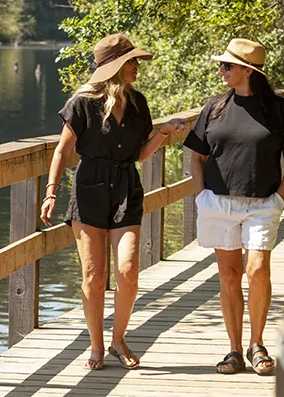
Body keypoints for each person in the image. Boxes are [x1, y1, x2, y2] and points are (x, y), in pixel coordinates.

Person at [41, 33, 185, 370]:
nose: (137, 67)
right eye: (132, 61)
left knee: (128, 270)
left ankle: (119, 338)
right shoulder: (82, 103)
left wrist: (162, 134)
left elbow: (140, 153)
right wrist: (50, 191)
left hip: (125, 187)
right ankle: (96, 345)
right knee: (93, 275)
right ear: (116, 66)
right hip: (89, 187)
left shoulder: (138, 104)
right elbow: (62, 150)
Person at [183, 38, 284, 375]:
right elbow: (197, 155)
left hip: (262, 204)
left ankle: (257, 344)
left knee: (257, 270)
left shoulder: (278, 110)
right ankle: (234, 350)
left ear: (247, 71)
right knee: (229, 275)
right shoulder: (216, 106)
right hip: (218, 203)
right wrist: (201, 195)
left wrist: (279, 198)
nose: (221, 70)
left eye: (227, 66)